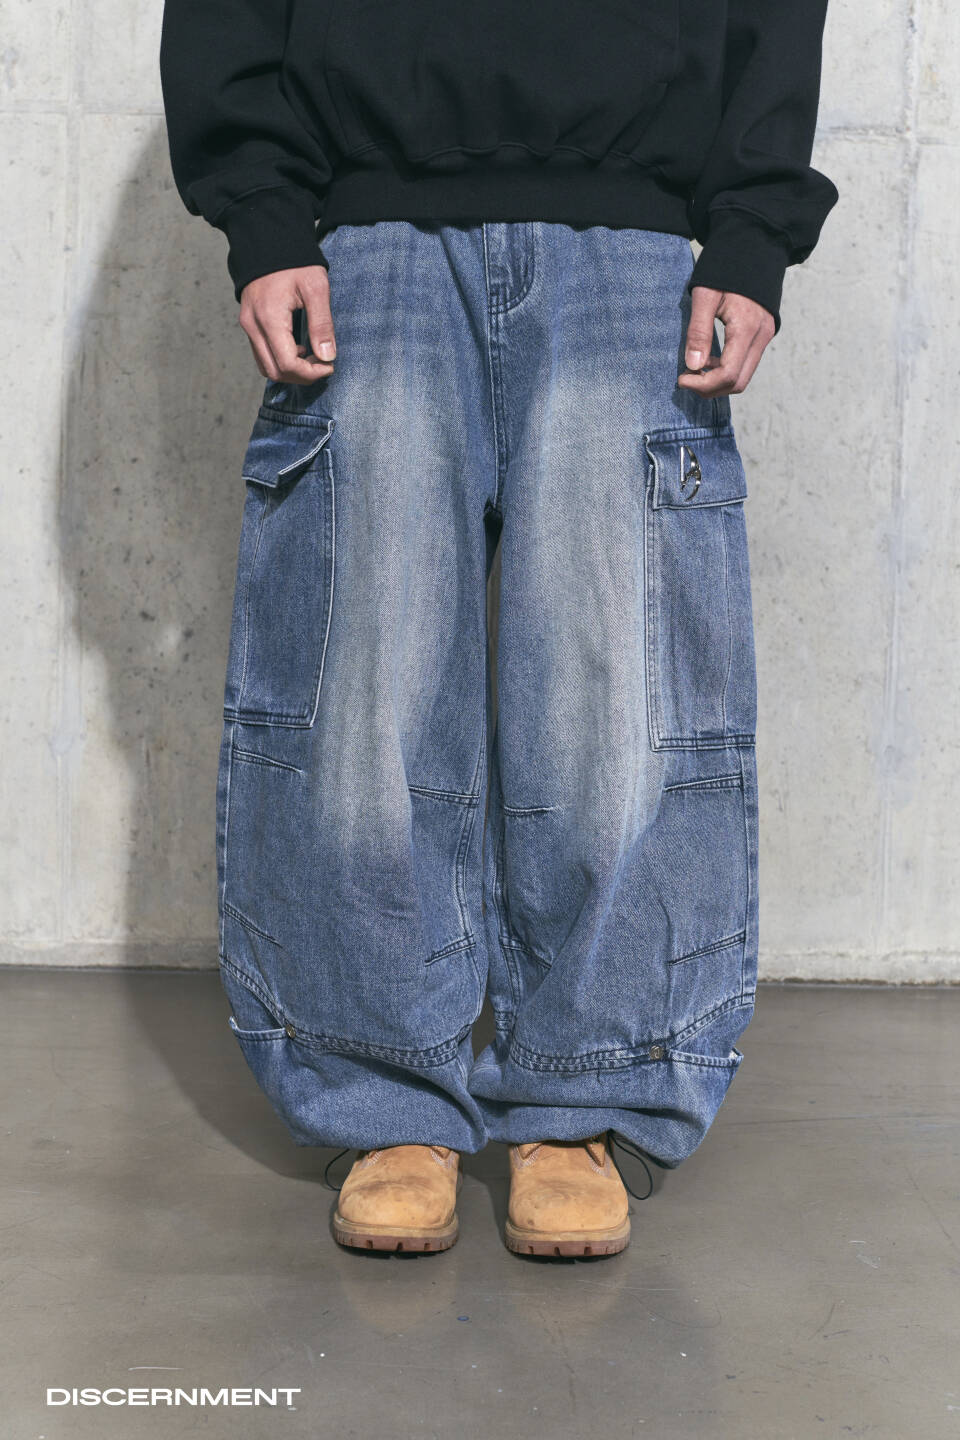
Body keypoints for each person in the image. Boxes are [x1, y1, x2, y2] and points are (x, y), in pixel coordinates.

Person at [159, 0, 837, 1259]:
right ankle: (384, 1094)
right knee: (362, 691)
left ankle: (586, 1094)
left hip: (631, 233)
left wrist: (751, 229)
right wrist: (263, 211)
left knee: (614, 698)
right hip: (369, 228)